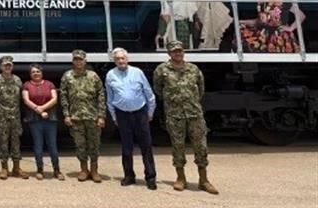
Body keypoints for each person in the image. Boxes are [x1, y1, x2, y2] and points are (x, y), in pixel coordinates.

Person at [153, 41, 219, 194]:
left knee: (201, 146)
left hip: (194, 113)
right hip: (175, 115)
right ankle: (180, 178)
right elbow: (158, 89)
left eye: (180, 51)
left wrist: (190, 101)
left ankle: (204, 180)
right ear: (169, 53)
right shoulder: (162, 70)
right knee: (178, 146)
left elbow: (201, 89)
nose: (178, 54)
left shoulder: (193, 69)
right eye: (175, 51)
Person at [105, 47, 157, 190]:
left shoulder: (138, 72)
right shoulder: (110, 75)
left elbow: (149, 93)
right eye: (117, 59)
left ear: (127, 59)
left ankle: (150, 177)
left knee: (146, 146)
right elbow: (110, 98)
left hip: (140, 113)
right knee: (126, 147)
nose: (121, 61)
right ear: (114, 61)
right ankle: (129, 176)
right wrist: (114, 117)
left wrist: (150, 113)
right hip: (122, 114)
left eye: (123, 58)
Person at [59, 49, 106, 183]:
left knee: (94, 144)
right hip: (76, 117)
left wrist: (102, 115)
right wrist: (66, 115)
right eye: (76, 59)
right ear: (73, 61)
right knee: (80, 145)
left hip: (93, 116)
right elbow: (63, 97)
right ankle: (84, 170)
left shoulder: (93, 76)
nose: (78, 62)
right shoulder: (67, 77)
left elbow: (101, 96)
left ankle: (95, 170)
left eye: (81, 59)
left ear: (85, 61)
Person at [240, 0, 307, 53]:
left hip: (278, 37)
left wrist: (290, 28)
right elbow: (260, 21)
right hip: (263, 35)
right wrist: (243, 22)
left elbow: (301, 16)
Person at [21, 64, 63, 181]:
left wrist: (42, 108)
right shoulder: (27, 85)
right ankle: (39, 170)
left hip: (50, 119)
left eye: (38, 71)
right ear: (30, 74)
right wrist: (38, 110)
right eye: (33, 72)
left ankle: (57, 170)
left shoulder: (49, 84)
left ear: (42, 73)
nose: (36, 73)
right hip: (34, 120)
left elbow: (54, 99)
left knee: (52, 146)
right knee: (38, 146)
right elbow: (26, 100)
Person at [0, 56, 28, 180]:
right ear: (1, 66)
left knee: (16, 142)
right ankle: (4, 168)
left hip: (15, 116)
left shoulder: (17, 80)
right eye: (5, 65)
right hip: (2, 117)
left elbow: (21, 100)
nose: (7, 67)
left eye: (9, 65)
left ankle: (16, 168)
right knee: (3, 143)